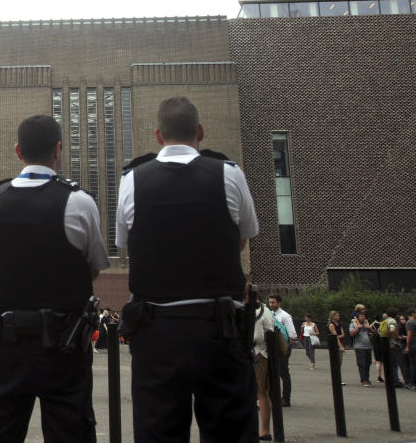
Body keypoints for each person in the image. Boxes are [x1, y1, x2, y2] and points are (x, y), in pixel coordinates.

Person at [116, 97, 259, 441]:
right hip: (220, 330)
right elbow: (242, 239)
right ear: (201, 132)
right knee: (231, 432)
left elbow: (127, 244)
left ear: (157, 135)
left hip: (157, 332)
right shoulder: (229, 173)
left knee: (158, 432)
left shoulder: (132, 179)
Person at [0, 114, 111, 442]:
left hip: (3, 346)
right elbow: (93, 268)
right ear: (59, 149)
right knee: (71, 431)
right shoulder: (79, 201)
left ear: (18, 151)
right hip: (62, 348)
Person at [253, 295, 278, 441]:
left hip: (257, 354)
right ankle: (264, 429)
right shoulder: (266, 311)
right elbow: (270, 330)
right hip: (262, 353)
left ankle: (264, 429)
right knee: (262, 392)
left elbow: (260, 336)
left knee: (261, 392)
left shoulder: (251, 311)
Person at [268, 294, 297, 406]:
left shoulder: (285, 316)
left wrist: (285, 346)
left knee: (283, 373)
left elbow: (293, 334)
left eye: (273, 302)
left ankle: (286, 398)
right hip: (272, 347)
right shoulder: (269, 314)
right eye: (270, 302)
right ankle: (273, 397)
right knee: (272, 373)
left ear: (279, 303)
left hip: (283, 347)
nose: (271, 304)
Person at [349, 304, 374, 386]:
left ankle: (367, 378)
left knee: (368, 363)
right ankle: (364, 380)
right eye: (361, 316)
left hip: (368, 347)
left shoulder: (366, 324)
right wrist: (358, 327)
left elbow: (374, 333)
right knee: (362, 363)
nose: (363, 317)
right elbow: (351, 333)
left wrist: (369, 328)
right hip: (359, 347)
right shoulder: (353, 322)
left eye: (364, 316)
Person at [403, 308, 416, 389]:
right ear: (413, 313)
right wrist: (408, 347)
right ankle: (414, 383)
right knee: (414, 365)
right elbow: (410, 335)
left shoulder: (414, 322)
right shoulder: (410, 323)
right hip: (414, 346)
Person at [328, 310, 346, 384]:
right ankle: (336, 379)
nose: (339, 317)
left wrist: (337, 337)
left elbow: (343, 334)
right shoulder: (331, 325)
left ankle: (337, 378)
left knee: (339, 362)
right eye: (337, 315)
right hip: (334, 345)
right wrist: (341, 346)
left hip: (338, 342)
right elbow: (335, 337)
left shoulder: (339, 324)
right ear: (333, 316)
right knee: (336, 362)